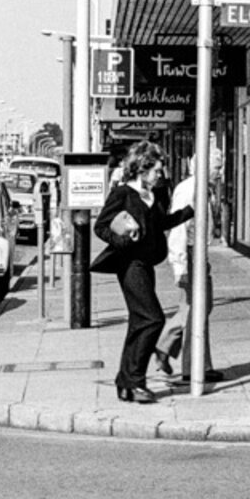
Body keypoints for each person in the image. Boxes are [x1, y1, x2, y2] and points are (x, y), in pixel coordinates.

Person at [91, 140, 194, 404]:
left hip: (146, 264)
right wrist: (122, 239)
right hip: (128, 263)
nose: (160, 174)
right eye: (157, 170)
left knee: (139, 322)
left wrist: (190, 211)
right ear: (142, 168)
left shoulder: (155, 194)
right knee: (153, 319)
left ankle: (125, 381)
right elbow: (101, 226)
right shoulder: (123, 193)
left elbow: (161, 222)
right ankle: (136, 381)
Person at [152, 160, 222, 384]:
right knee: (196, 309)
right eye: (217, 167)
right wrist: (180, 265)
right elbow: (178, 228)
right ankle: (193, 365)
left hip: (199, 254)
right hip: (190, 256)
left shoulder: (204, 189)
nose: (220, 172)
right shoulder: (189, 189)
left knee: (198, 307)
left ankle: (174, 351)